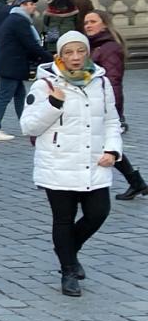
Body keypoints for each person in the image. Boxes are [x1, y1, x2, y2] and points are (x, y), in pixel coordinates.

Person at [21, 31, 124, 296]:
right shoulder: (45, 84)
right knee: (63, 219)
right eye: (69, 52)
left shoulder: (100, 82)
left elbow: (112, 120)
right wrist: (54, 103)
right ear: (60, 56)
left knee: (98, 213)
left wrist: (113, 150)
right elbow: (28, 126)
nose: (76, 57)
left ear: (87, 52)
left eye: (80, 51)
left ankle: (68, 250)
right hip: (58, 162)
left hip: (94, 161)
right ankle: (68, 270)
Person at [82, 12, 147, 197]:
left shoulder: (109, 47)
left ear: (104, 25)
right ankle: (136, 182)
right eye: (86, 22)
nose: (88, 25)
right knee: (102, 144)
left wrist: (114, 110)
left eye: (93, 22)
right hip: (94, 103)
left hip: (103, 104)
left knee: (100, 144)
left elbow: (113, 81)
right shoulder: (94, 46)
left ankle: (134, 182)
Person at [0, 0, 48, 141]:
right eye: (31, 3)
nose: (34, 6)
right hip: (11, 65)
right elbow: (30, 44)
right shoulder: (19, 21)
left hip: (12, 64)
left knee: (20, 95)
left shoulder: (15, 19)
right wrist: (48, 57)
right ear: (23, 5)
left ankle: (25, 125)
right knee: (4, 97)